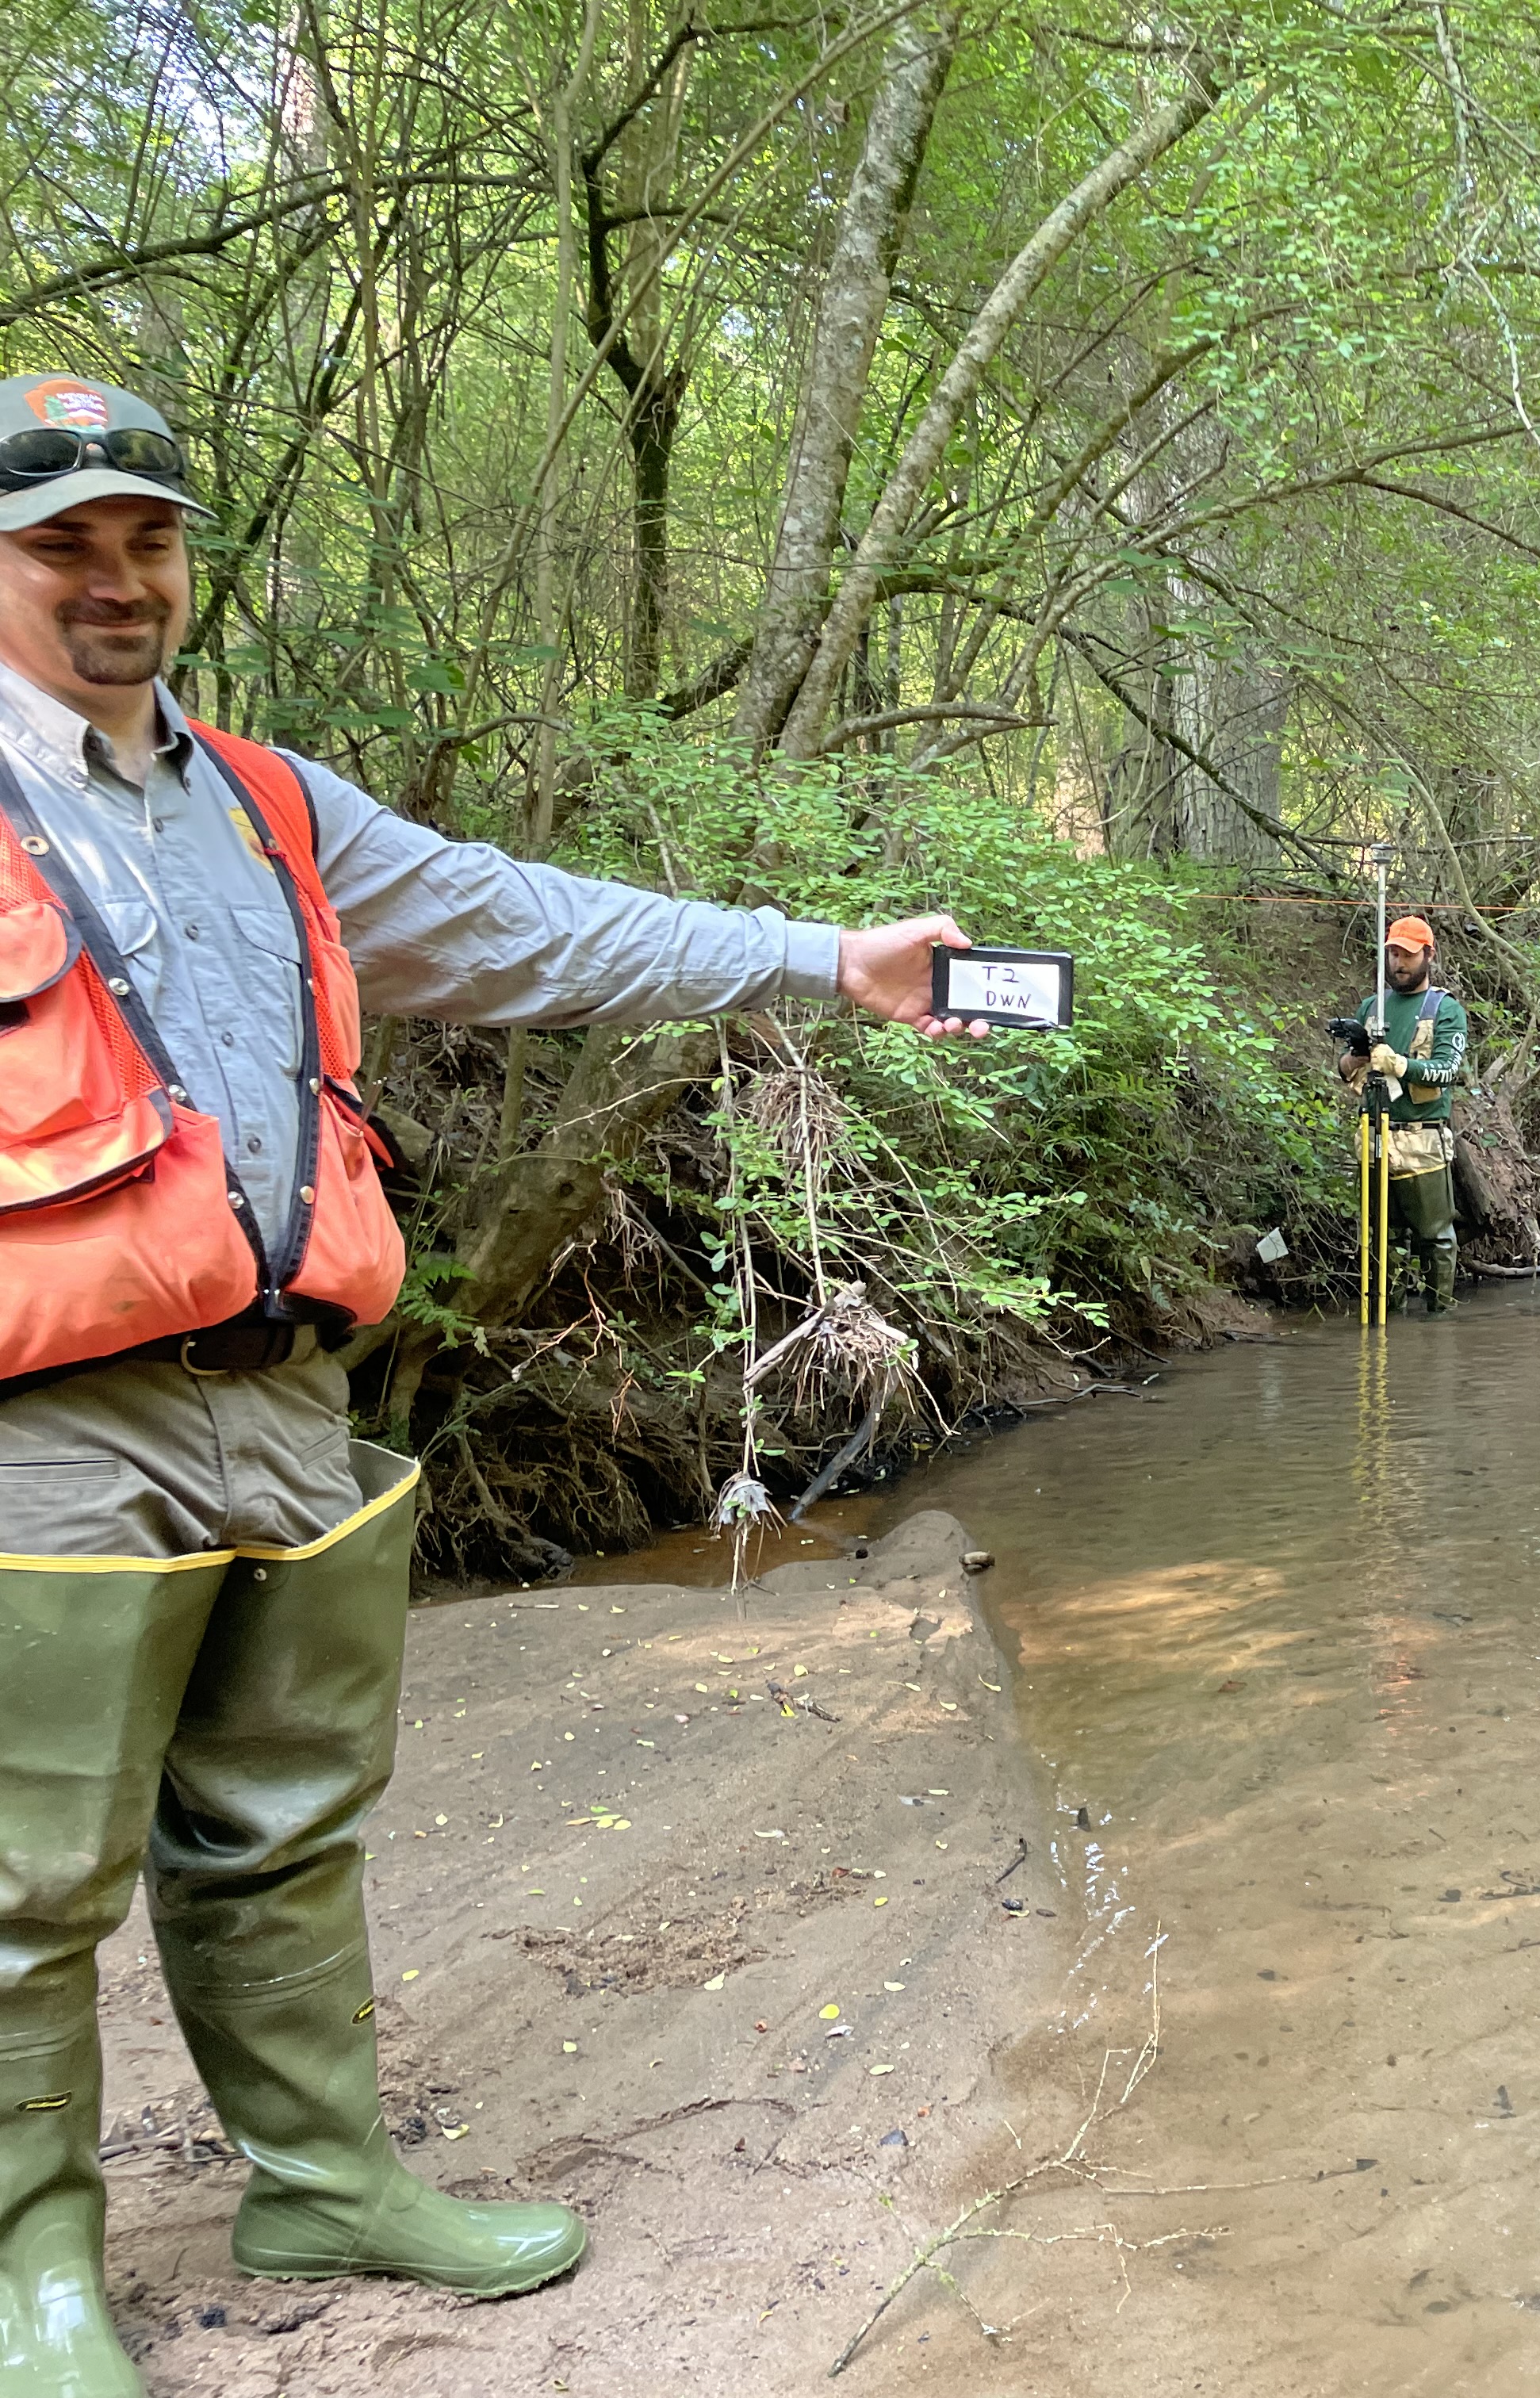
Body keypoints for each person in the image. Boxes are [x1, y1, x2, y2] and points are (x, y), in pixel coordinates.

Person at [0, 370, 991, 2394]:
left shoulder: (273, 806)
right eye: (61, 544)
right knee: (23, 1880)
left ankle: (324, 2178)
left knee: (286, 1819)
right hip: (44, 1420)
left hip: (291, 1397)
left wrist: (824, 958)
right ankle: (36, 2283)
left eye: (147, 539)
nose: (116, 581)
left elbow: (531, 924)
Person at [1347, 914, 1469, 1313]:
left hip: (1422, 1139)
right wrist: (1354, 1058)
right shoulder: (1371, 1007)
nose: (1399, 962)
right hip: (1374, 1133)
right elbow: (1347, 1069)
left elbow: (1448, 1070)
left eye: (1408, 955)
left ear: (1428, 956)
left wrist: (1401, 1065)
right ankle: (1387, 1313)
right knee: (1382, 1235)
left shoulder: (1445, 1009)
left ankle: (1440, 1316)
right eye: (1393, 953)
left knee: (1435, 1236)